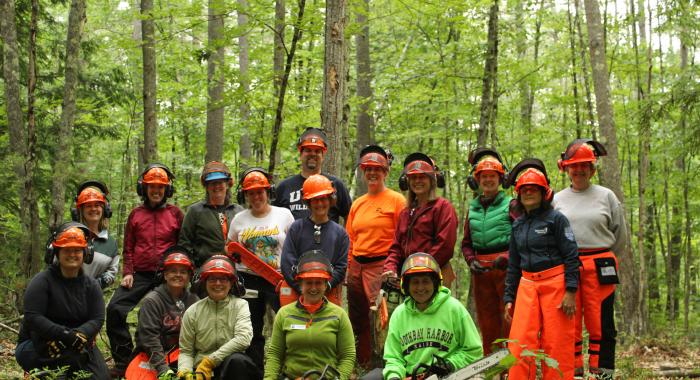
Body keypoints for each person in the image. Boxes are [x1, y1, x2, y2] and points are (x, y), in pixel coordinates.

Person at [553, 139, 627, 379]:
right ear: (566, 169)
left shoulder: (607, 196)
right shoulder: (557, 200)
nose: (579, 170)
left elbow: (620, 235)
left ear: (593, 168)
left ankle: (603, 372)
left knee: (602, 323)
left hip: (600, 265)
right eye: (574, 166)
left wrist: (604, 256)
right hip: (569, 266)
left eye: (584, 165)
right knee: (569, 323)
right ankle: (572, 372)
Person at [503, 159, 579, 380]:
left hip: (555, 283)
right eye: (524, 190)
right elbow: (514, 265)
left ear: (544, 192)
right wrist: (509, 296)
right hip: (526, 285)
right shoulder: (517, 225)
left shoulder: (557, 219)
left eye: (533, 189)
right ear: (518, 194)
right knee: (519, 344)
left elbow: (571, 255)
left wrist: (571, 290)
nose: (529, 193)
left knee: (557, 343)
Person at [107, 163, 184, 377]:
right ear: (144, 189)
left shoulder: (176, 214)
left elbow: (182, 247)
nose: (156, 191)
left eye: (160, 187)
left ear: (167, 190)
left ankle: (170, 360)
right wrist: (128, 272)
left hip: (167, 275)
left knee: (167, 315)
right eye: (152, 187)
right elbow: (128, 246)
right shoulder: (136, 214)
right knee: (115, 309)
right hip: (140, 273)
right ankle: (124, 361)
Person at [363, 253, 482, 380]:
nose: (420, 287)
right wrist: (394, 376)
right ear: (406, 285)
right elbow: (393, 357)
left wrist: (450, 364)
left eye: (425, 281)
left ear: (436, 283)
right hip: (410, 375)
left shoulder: (454, 309)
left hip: (447, 375)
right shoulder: (399, 314)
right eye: (415, 282)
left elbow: (474, 351)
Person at [16, 222, 109, 378]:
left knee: (101, 376)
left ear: (85, 253)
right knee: (64, 368)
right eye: (66, 250)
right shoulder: (42, 281)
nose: (72, 254)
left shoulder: (91, 285)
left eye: (77, 250)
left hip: (79, 343)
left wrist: (79, 334)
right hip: (40, 343)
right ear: (56, 252)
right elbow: (33, 317)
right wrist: (64, 334)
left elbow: (97, 318)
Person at [227, 167, 295, 368]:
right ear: (245, 195)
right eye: (251, 193)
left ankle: (289, 367)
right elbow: (229, 246)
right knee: (252, 328)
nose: (256, 196)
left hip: (278, 278)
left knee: (287, 323)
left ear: (268, 192)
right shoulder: (239, 219)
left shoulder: (284, 215)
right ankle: (254, 370)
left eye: (260, 191)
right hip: (248, 279)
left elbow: (294, 245)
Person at [345, 145, 405, 368]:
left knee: (381, 319)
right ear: (363, 171)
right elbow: (350, 238)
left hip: (381, 265)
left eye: (377, 169)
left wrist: (395, 268)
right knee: (357, 317)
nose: (372, 173)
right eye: (368, 169)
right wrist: (349, 266)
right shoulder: (358, 203)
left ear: (385, 171)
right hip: (357, 266)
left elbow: (402, 238)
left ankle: (385, 363)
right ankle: (362, 364)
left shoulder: (397, 200)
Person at [461, 148, 518, 355]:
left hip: (506, 269)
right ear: (477, 180)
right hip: (481, 271)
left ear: (500, 178)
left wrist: (508, 258)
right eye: (483, 176)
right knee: (487, 320)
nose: (488, 180)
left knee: (509, 318)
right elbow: (466, 243)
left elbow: (521, 239)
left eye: (492, 176)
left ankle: (512, 367)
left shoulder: (511, 204)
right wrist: (470, 260)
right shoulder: (473, 207)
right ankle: (491, 364)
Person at [264, 251, 355, 380]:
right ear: (300, 284)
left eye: (318, 283)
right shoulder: (284, 314)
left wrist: (339, 378)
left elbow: (348, 355)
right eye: (308, 283)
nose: (313, 288)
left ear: (325, 285)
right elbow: (274, 355)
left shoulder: (338, 315)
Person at [382, 152, 458, 288]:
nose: (417, 181)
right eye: (413, 177)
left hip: (434, 274)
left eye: (422, 177)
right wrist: (390, 268)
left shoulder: (443, 207)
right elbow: (396, 247)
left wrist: (419, 267)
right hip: (408, 277)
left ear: (431, 180)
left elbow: (444, 246)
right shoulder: (406, 212)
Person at [177, 255, 259, 380]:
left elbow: (243, 339)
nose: (218, 283)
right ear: (204, 282)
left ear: (232, 283)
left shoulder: (240, 305)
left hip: (231, 368)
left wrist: (210, 361)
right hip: (200, 370)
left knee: (238, 361)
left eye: (223, 279)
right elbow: (186, 351)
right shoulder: (192, 311)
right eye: (212, 279)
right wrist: (185, 372)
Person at [132, 247, 199, 379]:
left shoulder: (194, 300)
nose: (178, 275)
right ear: (165, 274)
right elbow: (149, 339)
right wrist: (163, 369)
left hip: (183, 355)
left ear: (189, 276)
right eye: (173, 271)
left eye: (183, 272)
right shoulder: (152, 301)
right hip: (152, 356)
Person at [280, 174, 349, 304]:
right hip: (297, 294)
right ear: (308, 202)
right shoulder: (296, 228)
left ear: (330, 199)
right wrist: (301, 288)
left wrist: (326, 287)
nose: (320, 204)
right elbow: (287, 262)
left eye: (323, 199)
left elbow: (341, 266)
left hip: (328, 294)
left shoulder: (340, 233)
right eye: (315, 200)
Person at [273, 127, 352, 223]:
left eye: (317, 151)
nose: (313, 154)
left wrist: (343, 237)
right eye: (308, 150)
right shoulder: (284, 187)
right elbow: (273, 219)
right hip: (293, 237)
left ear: (323, 155)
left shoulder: (335, 185)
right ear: (301, 154)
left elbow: (350, 216)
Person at [179, 161, 244, 267]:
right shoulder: (195, 211)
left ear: (227, 184)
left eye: (220, 182)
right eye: (213, 183)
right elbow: (185, 244)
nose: (217, 186)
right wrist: (192, 268)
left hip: (236, 270)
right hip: (205, 270)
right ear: (206, 186)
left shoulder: (238, 211)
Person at [71, 181, 119, 289]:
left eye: (97, 205)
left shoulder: (111, 244)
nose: (93, 209)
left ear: (105, 209)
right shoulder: (69, 236)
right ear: (80, 211)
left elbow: (112, 272)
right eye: (88, 206)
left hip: (93, 296)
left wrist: (94, 286)